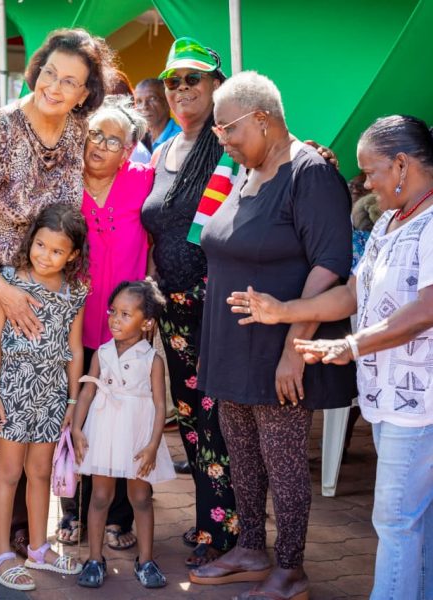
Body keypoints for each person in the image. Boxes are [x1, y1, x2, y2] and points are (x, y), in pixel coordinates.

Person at [229, 114, 433, 600]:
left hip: (419, 403)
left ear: (401, 165)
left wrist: (351, 345)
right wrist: (284, 312)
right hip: (388, 398)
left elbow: (427, 309)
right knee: (414, 522)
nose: (365, 183)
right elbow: (349, 295)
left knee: (396, 521)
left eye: (371, 171)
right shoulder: (389, 222)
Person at [0, 28, 115, 569]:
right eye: (49, 73)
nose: (54, 87)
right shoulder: (1, 131)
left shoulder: (78, 131)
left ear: (85, 93)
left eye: (70, 81)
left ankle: (23, 535)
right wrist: (4, 291)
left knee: (31, 421)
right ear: (36, 71)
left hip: (44, 300)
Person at [191, 71, 356, 599]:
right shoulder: (246, 171)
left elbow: (329, 265)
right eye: (217, 132)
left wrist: (293, 349)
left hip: (277, 348)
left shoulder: (310, 174)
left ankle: (290, 568)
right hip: (232, 347)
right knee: (242, 453)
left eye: (228, 129)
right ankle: (250, 548)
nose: (223, 140)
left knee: (283, 462)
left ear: (262, 118)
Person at [140, 37, 238, 567]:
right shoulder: (163, 151)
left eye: (192, 79)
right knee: (191, 418)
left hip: (218, 304)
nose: (180, 89)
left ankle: (225, 531)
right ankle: (210, 520)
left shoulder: (230, 145)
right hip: (174, 308)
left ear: (216, 85)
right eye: (172, 80)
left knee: (219, 419)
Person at [57, 95, 152, 550]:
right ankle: (71, 510)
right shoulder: (64, 181)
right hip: (73, 324)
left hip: (124, 328)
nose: (100, 145)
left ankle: (118, 516)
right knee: (74, 412)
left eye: (113, 140)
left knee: (121, 418)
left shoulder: (144, 180)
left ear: (129, 149)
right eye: (95, 134)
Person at [0, 205, 88, 589]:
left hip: (52, 394)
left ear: (72, 255)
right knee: (9, 473)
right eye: (40, 245)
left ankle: (39, 549)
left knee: (40, 472)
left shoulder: (76, 292)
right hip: (13, 390)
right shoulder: (10, 283)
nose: (45, 255)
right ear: (31, 240)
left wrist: (72, 402)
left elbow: (75, 348)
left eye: (57, 251)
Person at [72, 279, 176, 589]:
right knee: (99, 496)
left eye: (126, 314)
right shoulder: (101, 353)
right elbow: (87, 392)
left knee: (140, 498)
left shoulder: (152, 360)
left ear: (147, 323)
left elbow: (160, 405)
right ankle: (94, 559)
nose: (115, 320)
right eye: (113, 311)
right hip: (104, 432)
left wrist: (153, 445)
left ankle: (146, 560)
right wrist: (77, 428)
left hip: (137, 436)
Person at [134, 78, 181, 152]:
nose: (144, 106)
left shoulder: (180, 139)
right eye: (139, 101)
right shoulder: (137, 141)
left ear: (168, 102)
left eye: (152, 98)